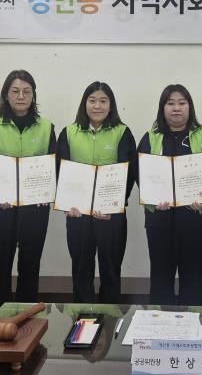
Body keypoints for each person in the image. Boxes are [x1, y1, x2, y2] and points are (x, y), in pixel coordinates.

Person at [0, 70, 56, 313]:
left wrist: (44, 192)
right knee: (0, 265)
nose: (21, 96)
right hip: (1, 207)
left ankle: (27, 318)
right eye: (15, 91)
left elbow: (52, 164)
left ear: (33, 95)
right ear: (6, 94)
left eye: (26, 91)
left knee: (30, 264)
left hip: (35, 208)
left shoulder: (46, 127)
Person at [136, 84, 202, 306]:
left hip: (195, 220)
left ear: (189, 107)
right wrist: (153, 199)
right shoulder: (150, 137)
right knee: (160, 278)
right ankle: (158, 322)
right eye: (170, 103)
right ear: (162, 108)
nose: (176, 108)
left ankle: (194, 323)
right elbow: (140, 175)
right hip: (159, 220)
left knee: (192, 278)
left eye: (182, 103)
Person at [56, 81, 136, 304]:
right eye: (92, 100)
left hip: (111, 215)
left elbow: (129, 172)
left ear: (111, 105)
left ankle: (109, 317)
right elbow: (60, 171)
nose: (97, 106)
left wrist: (114, 204)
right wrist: (67, 204)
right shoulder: (69, 133)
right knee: (81, 271)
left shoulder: (122, 132)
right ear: (84, 104)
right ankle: (83, 318)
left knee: (111, 271)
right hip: (77, 214)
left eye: (103, 101)